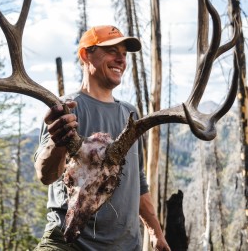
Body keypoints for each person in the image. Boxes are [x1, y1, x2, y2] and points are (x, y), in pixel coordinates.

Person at [34, 25, 170, 251]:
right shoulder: (65, 110)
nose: (121, 60)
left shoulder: (130, 114)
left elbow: (136, 180)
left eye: (124, 54)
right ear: (86, 54)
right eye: (112, 51)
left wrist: (156, 232)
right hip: (70, 244)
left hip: (126, 246)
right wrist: (57, 141)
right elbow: (46, 175)